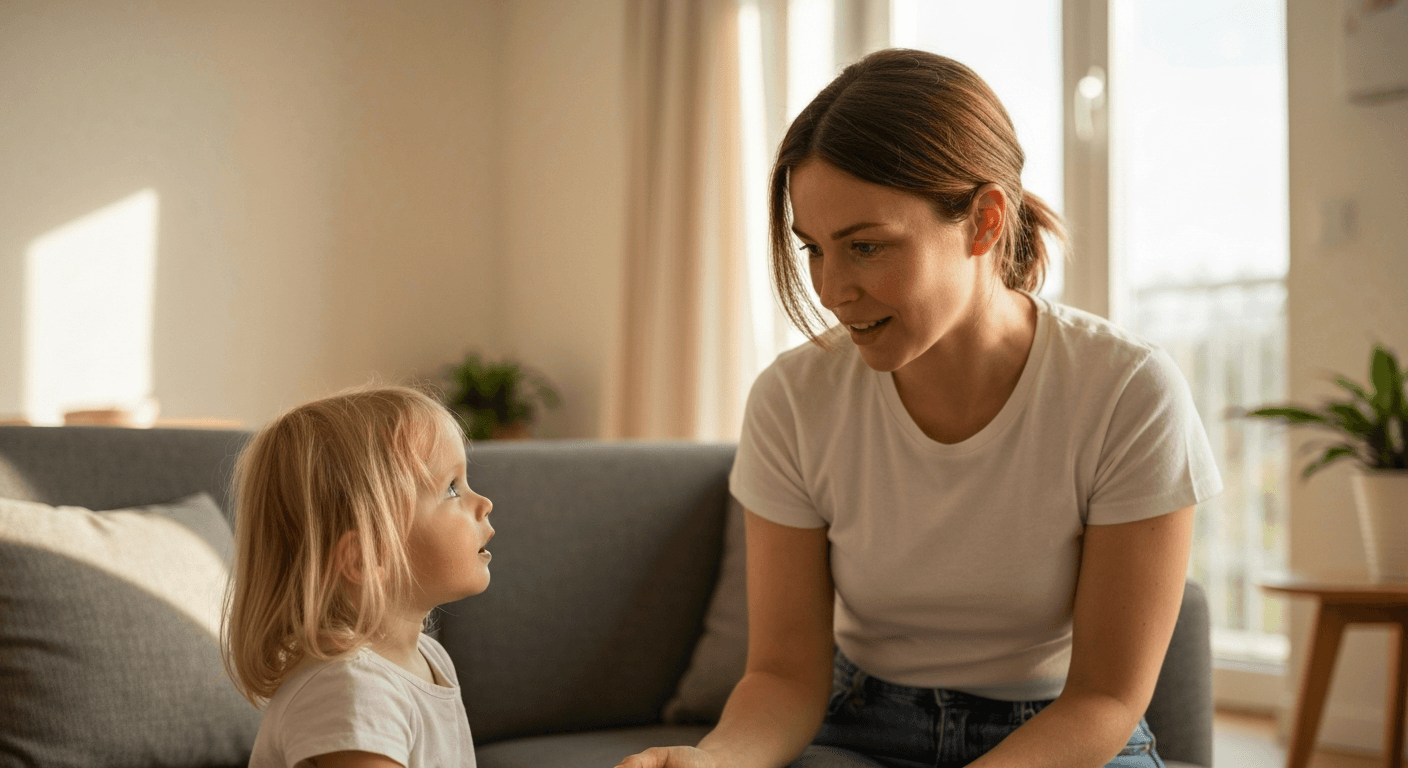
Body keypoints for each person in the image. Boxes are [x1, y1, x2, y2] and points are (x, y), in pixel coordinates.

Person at [618, 49, 1221, 768]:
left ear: (984, 221)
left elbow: (1105, 697)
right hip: (861, 723)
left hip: (1062, 731)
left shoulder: (1127, 392)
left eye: (866, 247)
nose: (831, 290)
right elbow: (783, 674)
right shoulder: (791, 399)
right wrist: (714, 761)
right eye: (814, 250)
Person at [223, 386, 493, 768]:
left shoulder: (429, 660)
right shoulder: (350, 689)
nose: (484, 503)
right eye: (451, 488)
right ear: (367, 556)